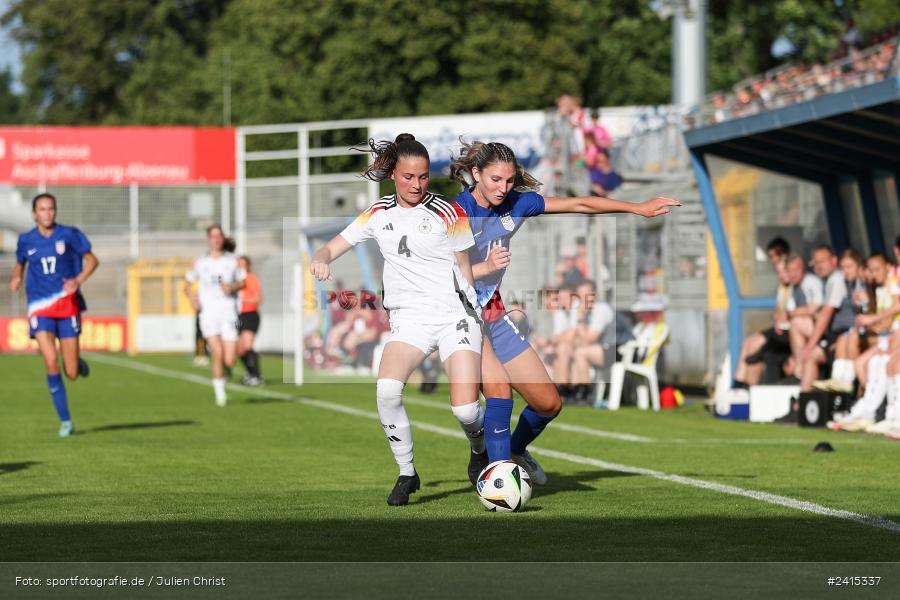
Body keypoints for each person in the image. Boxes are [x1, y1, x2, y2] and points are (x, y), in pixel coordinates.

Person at [449, 140, 679, 483]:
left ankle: (511, 450)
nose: (503, 188)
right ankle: (497, 481)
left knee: (549, 404)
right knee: (499, 392)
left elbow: (580, 203)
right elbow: (448, 273)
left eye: (510, 180)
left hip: (494, 315)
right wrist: (484, 269)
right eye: (495, 179)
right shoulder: (458, 212)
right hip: (462, 317)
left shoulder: (518, 203)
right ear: (477, 174)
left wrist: (636, 207)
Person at [309, 134, 486, 506]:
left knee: (466, 410)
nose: (417, 185)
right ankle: (407, 473)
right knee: (387, 391)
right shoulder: (377, 214)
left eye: (423, 177)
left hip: (455, 315)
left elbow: (467, 272)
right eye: (408, 177)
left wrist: (476, 316)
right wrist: (322, 258)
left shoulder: (449, 213)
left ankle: (478, 449)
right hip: (410, 321)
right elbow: (334, 245)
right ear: (393, 174)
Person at [10, 193, 99, 437]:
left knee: (70, 373)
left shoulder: (69, 235)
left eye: (50, 209)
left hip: (67, 305)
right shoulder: (26, 240)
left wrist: (77, 280)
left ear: (55, 211)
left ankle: (77, 363)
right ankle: (66, 421)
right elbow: (20, 262)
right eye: (42, 209)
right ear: (34, 213)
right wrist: (17, 276)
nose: (47, 213)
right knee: (50, 360)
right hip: (39, 307)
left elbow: (92, 260)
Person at [183, 225, 245, 407]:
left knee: (230, 359)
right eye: (213, 236)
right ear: (208, 239)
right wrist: (192, 298)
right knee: (217, 353)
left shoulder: (233, 261)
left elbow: (243, 281)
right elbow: (187, 283)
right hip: (209, 314)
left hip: (229, 312)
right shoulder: (200, 262)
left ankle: (224, 373)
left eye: (219, 236)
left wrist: (232, 287)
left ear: (223, 239)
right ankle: (220, 395)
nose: (216, 240)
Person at [237, 256, 264, 386]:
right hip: (238, 316)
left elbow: (258, 298)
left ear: (248, 266)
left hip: (250, 314)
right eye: (239, 264)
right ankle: (250, 373)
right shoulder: (235, 280)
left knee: (247, 345)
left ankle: (257, 375)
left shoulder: (251, 279)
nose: (241, 267)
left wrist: (242, 300)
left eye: (243, 264)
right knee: (240, 349)